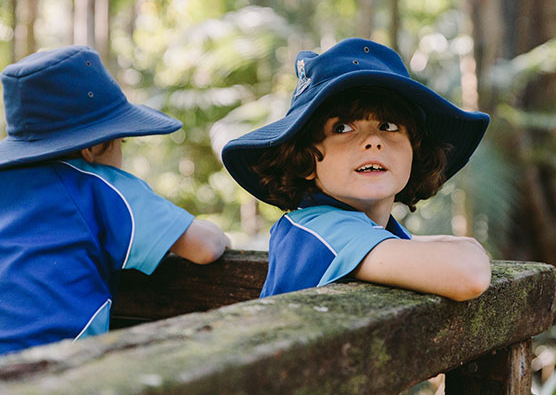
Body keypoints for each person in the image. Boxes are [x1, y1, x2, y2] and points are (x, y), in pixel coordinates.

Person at [0, 45, 230, 355]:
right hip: (51, 371)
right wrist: (219, 233)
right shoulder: (98, 186)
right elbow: (204, 247)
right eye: (120, 141)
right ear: (93, 149)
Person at [222, 38, 491, 301]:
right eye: (342, 128)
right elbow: (469, 273)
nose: (373, 141)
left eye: (389, 126)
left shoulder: (368, 231)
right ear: (305, 161)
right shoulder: (321, 228)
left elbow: (465, 249)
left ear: (415, 152)